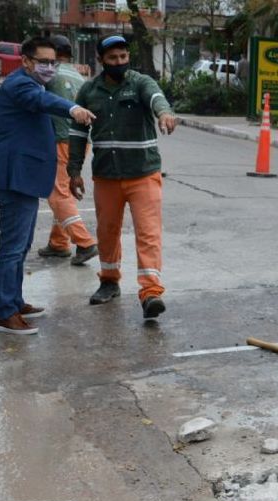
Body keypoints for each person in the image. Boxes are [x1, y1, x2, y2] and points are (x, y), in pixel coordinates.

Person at [0, 37, 96, 335]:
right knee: (11, 249)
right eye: (43, 62)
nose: (49, 67)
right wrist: (73, 108)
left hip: (27, 178)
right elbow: (43, 102)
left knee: (20, 247)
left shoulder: (32, 83)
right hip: (15, 178)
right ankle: (5, 314)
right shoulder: (19, 85)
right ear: (26, 61)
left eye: (53, 62)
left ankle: (15, 301)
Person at [68, 35, 176, 320]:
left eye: (123, 57)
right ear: (101, 60)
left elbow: (156, 97)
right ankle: (109, 281)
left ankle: (151, 292)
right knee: (107, 231)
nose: (119, 62)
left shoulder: (140, 82)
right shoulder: (88, 91)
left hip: (143, 173)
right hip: (106, 176)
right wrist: (74, 170)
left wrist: (164, 113)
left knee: (148, 233)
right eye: (113, 58)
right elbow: (78, 134)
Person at [36, 34, 99, 266]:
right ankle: (58, 243)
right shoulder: (78, 75)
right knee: (64, 189)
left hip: (62, 139)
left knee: (58, 194)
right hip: (82, 140)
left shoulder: (51, 74)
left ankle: (85, 243)